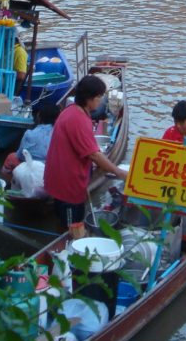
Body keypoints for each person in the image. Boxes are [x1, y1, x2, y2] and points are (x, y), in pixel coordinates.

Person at [43, 74, 128, 237]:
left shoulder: (71, 111)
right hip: (67, 185)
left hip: (59, 179)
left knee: (64, 221)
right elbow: (94, 155)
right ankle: (66, 251)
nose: (100, 100)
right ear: (89, 98)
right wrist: (119, 172)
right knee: (71, 227)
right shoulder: (78, 119)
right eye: (98, 97)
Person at [0, 102, 61, 180]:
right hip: (50, 168)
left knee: (11, 157)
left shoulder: (29, 133)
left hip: (32, 166)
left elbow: (20, 155)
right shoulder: (60, 134)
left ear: (39, 117)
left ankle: (7, 184)